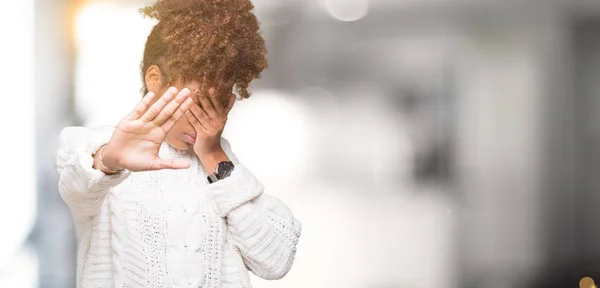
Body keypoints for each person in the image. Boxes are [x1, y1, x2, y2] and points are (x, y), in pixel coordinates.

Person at [54, 0, 302, 287]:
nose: (205, 119)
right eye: (198, 102)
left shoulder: (223, 169)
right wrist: (108, 160)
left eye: (219, 102)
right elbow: (75, 188)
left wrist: (213, 156)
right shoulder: (94, 148)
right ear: (155, 79)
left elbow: (276, 261)